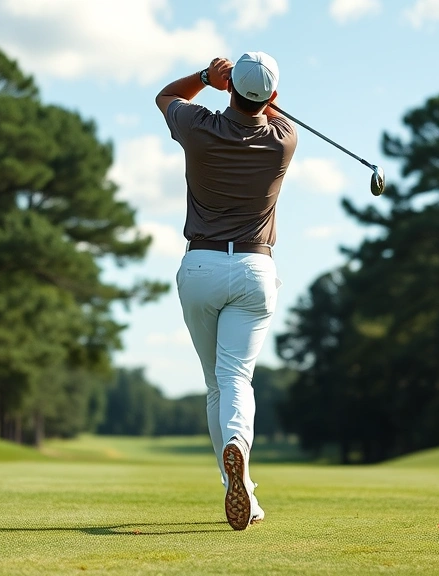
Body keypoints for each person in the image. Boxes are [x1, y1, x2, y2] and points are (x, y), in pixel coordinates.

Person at [155, 52, 298, 531]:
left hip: (202, 265)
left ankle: (240, 488)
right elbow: (270, 111)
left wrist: (205, 77)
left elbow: (165, 96)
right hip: (256, 268)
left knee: (216, 383)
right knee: (235, 377)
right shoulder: (284, 140)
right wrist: (258, 94)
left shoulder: (198, 126)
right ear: (272, 96)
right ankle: (241, 461)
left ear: (229, 85)